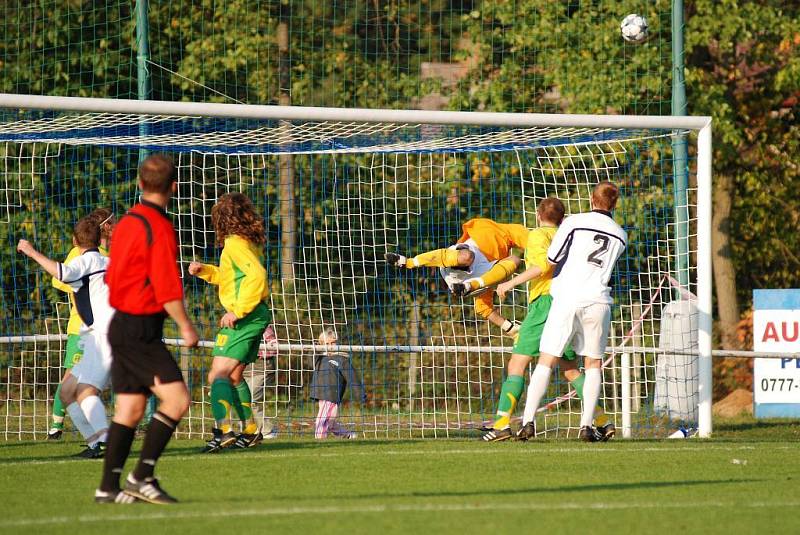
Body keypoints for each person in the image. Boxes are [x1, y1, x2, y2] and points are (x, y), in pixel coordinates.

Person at [96, 154, 199, 504]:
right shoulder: (159, 228)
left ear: (140, 184)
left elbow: (113, 277)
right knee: (178, 399)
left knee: (130, 409)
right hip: (140, 329)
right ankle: (141, 476)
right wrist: (186, 326)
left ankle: (108, 488)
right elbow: (168, 286)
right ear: (174, 187)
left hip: (119, 324)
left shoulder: (125, 224)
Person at [479, 198, 613, 442]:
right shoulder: (570, 234)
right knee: (571, 370)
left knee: (518, 364)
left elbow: (544, 265)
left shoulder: (538, 235)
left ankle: (501, 425)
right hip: (569, 300)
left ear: (539, 215)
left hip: (544, 302)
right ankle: (603, 421)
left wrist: (511, 282)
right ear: (562, 218)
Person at [523, 182, 626, 442]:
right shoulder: (621, 234)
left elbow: (553, 258)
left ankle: (528, 422)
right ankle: (586, 425)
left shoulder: (574, 222)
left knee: (546, 359)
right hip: (598, 301)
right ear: (614, 204)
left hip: (567, 296)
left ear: (592, 199)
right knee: (593, 364)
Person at [18, 216, 114, 458]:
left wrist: (31, 251)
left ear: (75, 241)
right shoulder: (110, 262)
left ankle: (107, 441)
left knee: (85, 391)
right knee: (67, 391)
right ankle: (95, 444)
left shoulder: (85, 262)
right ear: (100, 238)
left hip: (104, 337)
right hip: (96, 337)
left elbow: (59, 272)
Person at [189, 192, 271, 453]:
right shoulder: (245, 242)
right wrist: (206, 271)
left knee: (217, 375)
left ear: (221, 219)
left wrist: (237, 311)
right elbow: (232, 277)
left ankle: (224, 432)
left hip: (245, 316)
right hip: (256, 314)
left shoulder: (235, 244)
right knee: (234, 376)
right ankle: (249, 430)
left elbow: (257, 276)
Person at [385, 218, 528, 337]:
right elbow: (437, 256)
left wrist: (511, 330)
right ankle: (469, 285)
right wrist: (409, 262)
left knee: (513, 261)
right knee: (476, 258)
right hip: (463, 269)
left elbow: (484, 308)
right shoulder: (503, 231)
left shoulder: (493, 264)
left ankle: (471, 287)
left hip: (470, 276)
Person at [47, 208, 114, 441]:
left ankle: (100, 439)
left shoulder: (107, 256)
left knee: (85, 388)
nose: (115, 226)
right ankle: (57, 425)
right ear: (103, 227)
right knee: (74, 385)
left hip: (104, 331)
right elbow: (60, 279)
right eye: (112, 222)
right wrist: (80, 286)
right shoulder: (80, 254)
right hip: (81, 328)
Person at [309, 328, 366, 439]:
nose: (330, 346)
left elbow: (353, 378)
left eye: (333, 343)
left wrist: (360, 394)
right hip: (321, 394)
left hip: (332, 395)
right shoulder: (320, 358)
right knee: (330, 422)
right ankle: (349, 435)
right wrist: (315, 347)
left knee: (322, 420)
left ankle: (319, 440)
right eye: (326, 343)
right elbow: (310, 361)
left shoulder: (342, 359)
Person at [241, 325, 279, 439]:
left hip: (261, 368)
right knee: (243, 400)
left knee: (252, 399)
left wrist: (255, 350)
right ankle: (250, 429)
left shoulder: (263, 326)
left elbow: (274, 348)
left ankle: (268, 430)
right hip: (245, 369)